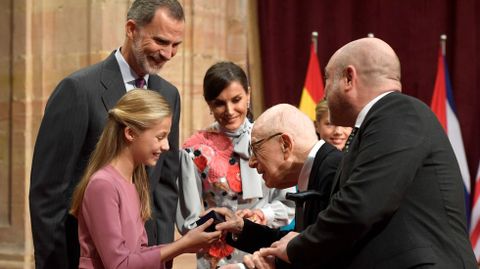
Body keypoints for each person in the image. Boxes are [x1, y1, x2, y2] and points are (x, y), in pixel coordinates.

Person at [255, 37, 477, 268]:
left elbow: (359, 207)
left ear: (349, 79)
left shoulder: (399, 112)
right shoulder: (376, 124)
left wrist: (296, 246)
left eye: (327, 80)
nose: (323, 94)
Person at [29, 1, 184, 268]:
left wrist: (164, 258)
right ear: (131, 29)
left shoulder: (169, 95)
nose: (168, 54)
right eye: (161, 41)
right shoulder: (78, 90)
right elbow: (48, 195)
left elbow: (165, 189)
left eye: (176, 45)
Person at [69, 89, 221, 268]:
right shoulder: (103, 185)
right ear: (130, 133)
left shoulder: (134, 182)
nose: (166, 146)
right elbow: (119, 264)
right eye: (160, 137)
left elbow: (139, 254)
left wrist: (187, 243)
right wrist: (183, 244)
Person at [175, 62, 296, 269]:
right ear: (209, 104)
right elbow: (189, 221)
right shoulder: (194, 150)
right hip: (216, 258)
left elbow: (288, 203)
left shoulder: (273, 139)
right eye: (219, 103)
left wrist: (261, 215)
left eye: (236, 99)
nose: (229, 110)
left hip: (264, 251)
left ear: (248, 94)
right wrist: (215, 221)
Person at [212, 104, 343, 269]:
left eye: (256, 148)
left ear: (285, 144)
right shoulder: (318, 169)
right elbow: (297, 242)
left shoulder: (335, 173)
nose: (251, 162)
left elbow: (327, 254)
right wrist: (242, 228)